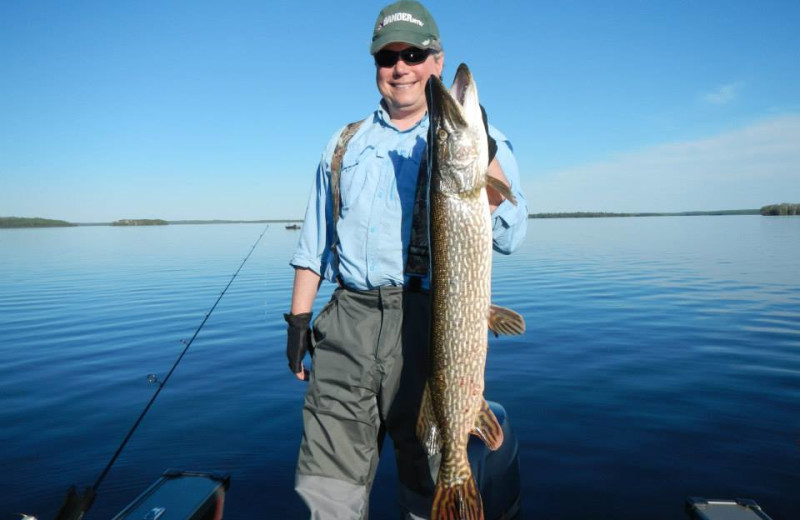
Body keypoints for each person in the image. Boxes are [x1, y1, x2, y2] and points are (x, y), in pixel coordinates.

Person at [283, 1, 528, 518]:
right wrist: (300, 320)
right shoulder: (344, 142)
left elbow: (511, 232)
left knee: (427, 466)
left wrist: (481, 155)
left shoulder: (473, 140)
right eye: (388, 57)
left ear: (436, 62)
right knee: (328, 482)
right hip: (347, 321)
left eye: (414, 54)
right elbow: (314, 242)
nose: (400, 67)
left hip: (428, 318)